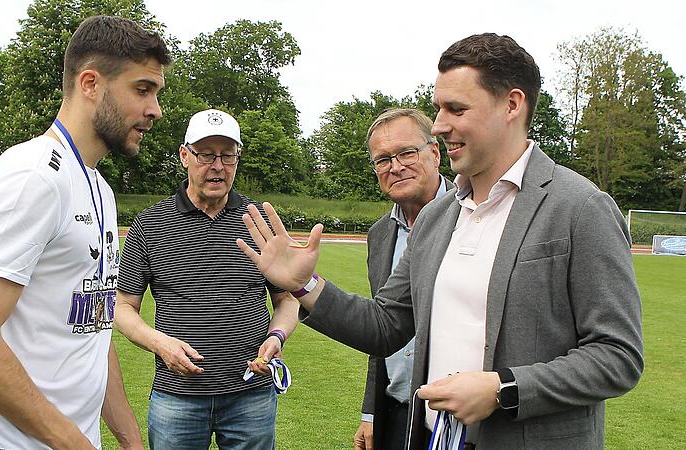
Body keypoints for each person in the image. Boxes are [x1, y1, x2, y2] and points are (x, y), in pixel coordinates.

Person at [238, 33, 643, 450]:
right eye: (437, 109)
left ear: (511, 105)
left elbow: (618, 355)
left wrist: (504, 389)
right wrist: (304, 285)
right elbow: (385, 326)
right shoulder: (437, 217)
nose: (439, 125)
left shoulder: (581, 207)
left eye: (456, 109)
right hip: (431, 439)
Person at [0, 15, 170, 450]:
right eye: (143, 89)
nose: (155, 110)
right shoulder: (32, 175)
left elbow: (94, 327)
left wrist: (129, 439)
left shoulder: (98, 187)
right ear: (90, 84)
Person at [115, 108, 300, 450]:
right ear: (185, 156)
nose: (217, 166)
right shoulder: (150, 224)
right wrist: (160, 344)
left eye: (227, 155)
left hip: (251, 394)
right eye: (206, 154)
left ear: (237, 157)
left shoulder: (259, 221)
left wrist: (277, 336)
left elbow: (287, 300)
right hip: (177, 398)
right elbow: (123, 306)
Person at [354, 109, 453, 450]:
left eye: (406, 153)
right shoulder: (380, 235)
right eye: (382, 160)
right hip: (396, 412)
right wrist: (370, 412)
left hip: (452, 417)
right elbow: (380, 331)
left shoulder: (473, 215)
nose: (395, 167)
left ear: (436, 152)